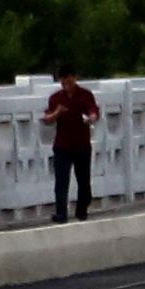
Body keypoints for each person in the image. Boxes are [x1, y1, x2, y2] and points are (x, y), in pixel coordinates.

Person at [42, 64, 101, 224]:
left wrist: (92, 117)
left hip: (81, 145)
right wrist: (57, 112)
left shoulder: (85, 95)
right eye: (63, 80)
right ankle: (61, 214)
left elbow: (93, 110)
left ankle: (82, 209)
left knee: (84, 182)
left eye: (69, 79)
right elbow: (47, 120)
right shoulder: (55, 98)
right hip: (63, 146)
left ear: (75, 78)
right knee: (61, 182)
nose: (66, 83)